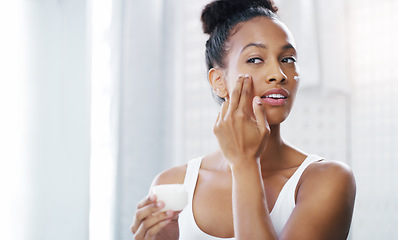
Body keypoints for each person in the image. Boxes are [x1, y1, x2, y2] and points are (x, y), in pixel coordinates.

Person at [131, 0, 356, 239]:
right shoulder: (173, 183)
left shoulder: (327, 181)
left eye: (288, 59)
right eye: (255, 59)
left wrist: (245, 163)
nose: (278, 75)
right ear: (219, 81)